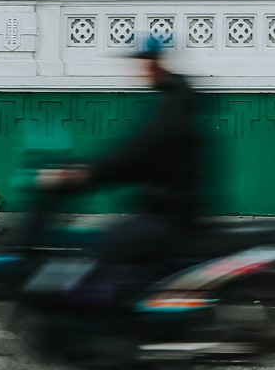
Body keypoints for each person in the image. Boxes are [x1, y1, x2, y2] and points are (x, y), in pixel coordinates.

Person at [40, 33, 208, 299]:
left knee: (109, 248)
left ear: (157, 62)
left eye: (144, 62)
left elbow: (137, 155)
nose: (140, 70)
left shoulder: (174, 107)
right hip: (164, 209)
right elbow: (133, 152)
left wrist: (88, 173)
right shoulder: (171, 99)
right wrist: (89, 169)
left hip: (171, 215)